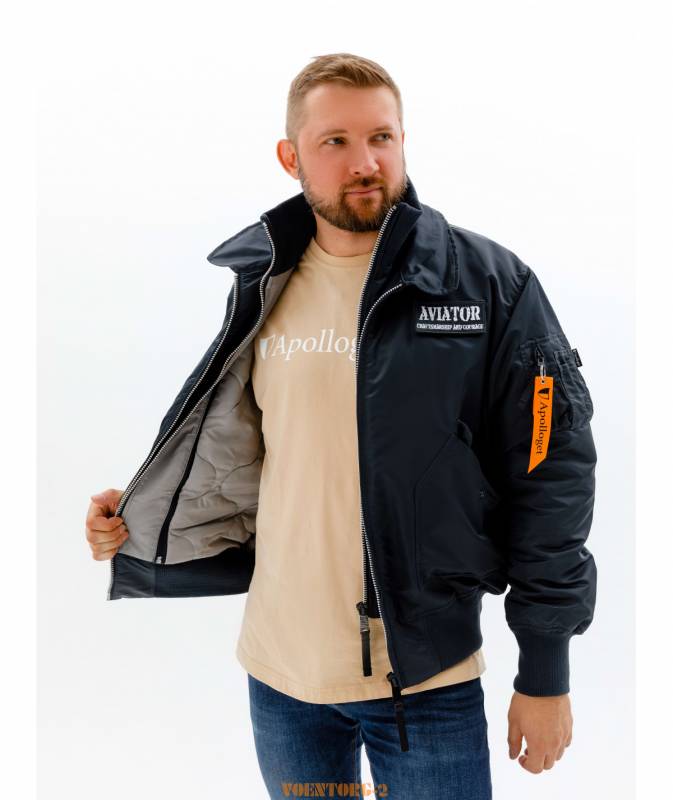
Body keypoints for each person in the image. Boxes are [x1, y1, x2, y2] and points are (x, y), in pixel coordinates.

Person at [85, 53, 597, 798]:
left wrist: (545, 671)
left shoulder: (487, 284)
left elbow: (552, 476)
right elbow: (250, 456)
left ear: (402, 141)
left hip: (423, 680)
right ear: (290, 156)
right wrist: (136, 518)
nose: (365, 162)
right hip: (280, 677)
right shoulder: (264, 283)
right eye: (335, 142)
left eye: (381, 137)